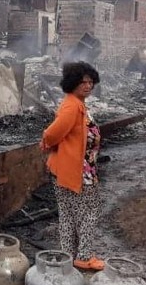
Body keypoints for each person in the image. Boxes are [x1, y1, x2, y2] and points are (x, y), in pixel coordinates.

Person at [39, 61, 104, 271]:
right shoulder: (72, 105)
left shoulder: (76, 103)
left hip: (72, 170)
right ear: (72, 83)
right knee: (89, 213)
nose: (87, 86)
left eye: (90, 82)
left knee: (68, 214)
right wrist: (46, 143)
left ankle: (68, 255)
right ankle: (84, 257)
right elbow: (52, 133)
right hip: (77, 172)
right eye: (82, 82)